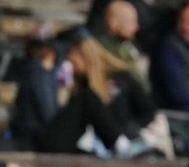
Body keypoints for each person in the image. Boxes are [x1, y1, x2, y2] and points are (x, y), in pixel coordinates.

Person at [22, 34, 158, 157]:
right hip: (64, 141)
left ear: (85, 56)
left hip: (108, 142)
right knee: (87, 97)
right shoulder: (75, 86)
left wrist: (130, 129)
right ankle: (121, 146)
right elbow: (54, 115)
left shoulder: (121, 78)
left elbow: (147, 111)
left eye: (72, 57)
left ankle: (121, 145)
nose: (69, 63)